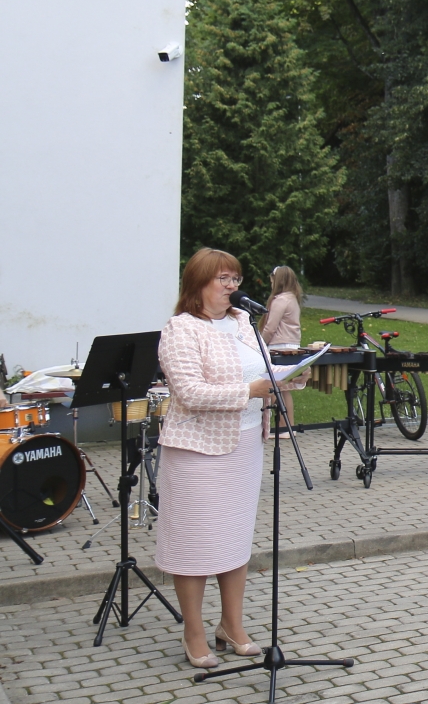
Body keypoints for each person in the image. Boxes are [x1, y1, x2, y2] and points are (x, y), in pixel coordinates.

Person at [156, 248, 304, 669]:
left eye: (235, 279)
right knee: (195, 542)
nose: (231, 288)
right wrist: (249, 392)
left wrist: (289, 374)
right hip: (197, 451)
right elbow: (190, 393)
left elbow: (261, 370)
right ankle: (194, 631)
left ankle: (232, 625)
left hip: (244, 446)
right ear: (197, 283)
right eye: (223, 279)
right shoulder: (181, 329)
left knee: (234, 537)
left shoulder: (242, 323)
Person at [260, 265, 303, 438]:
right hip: (291, 346)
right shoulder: (292, 298)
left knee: (273, 389)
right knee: (284, 390)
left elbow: (270, 328)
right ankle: (287, 428)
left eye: (272, 279)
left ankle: (278, 428)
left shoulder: (280, 300)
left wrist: (260, 344)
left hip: (279, 347)